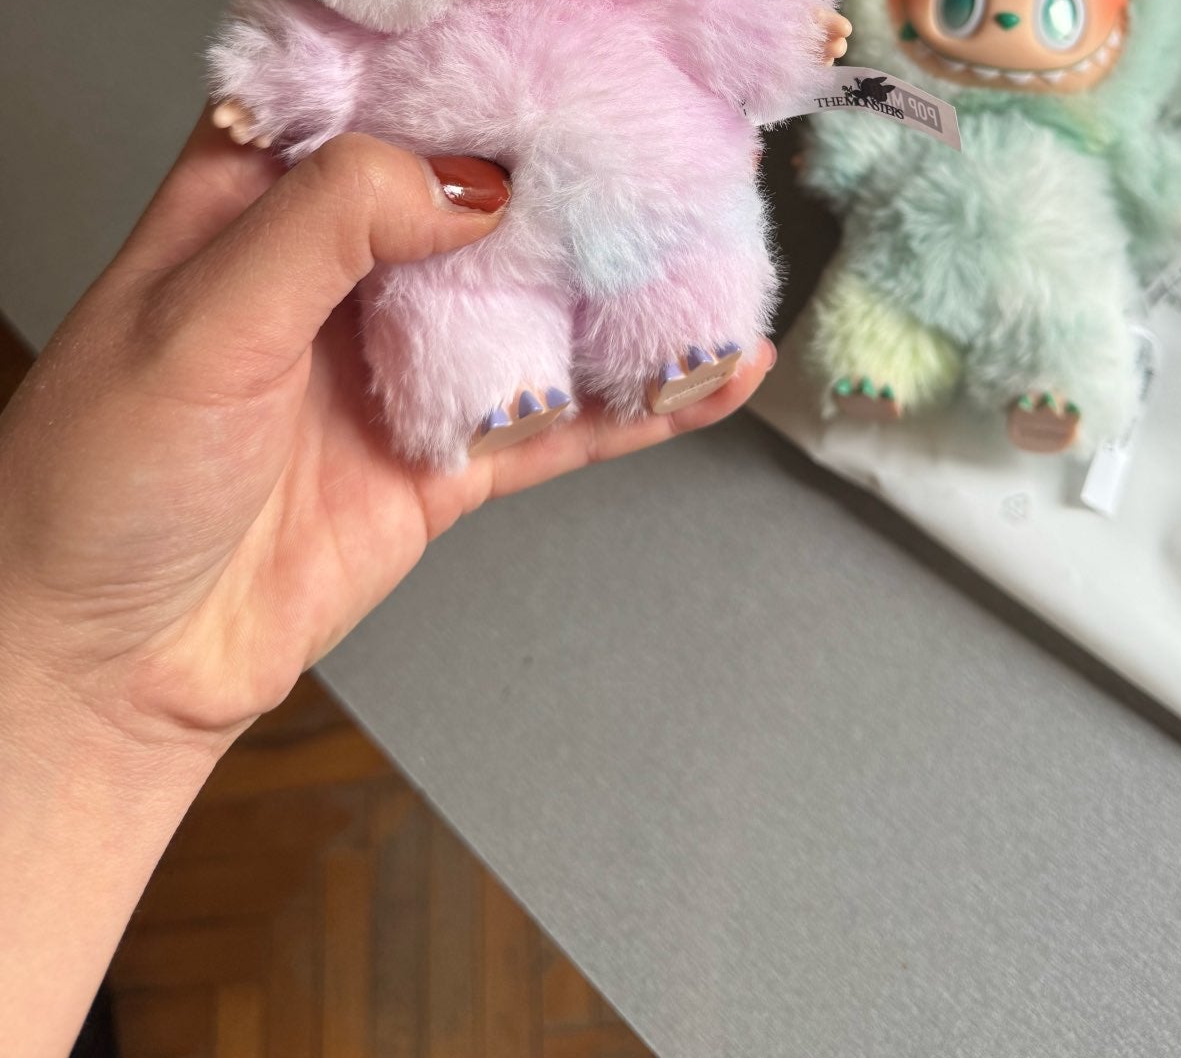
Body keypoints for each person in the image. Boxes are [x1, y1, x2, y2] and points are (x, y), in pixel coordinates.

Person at [0, 115, 767, 1058]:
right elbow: (313, 69)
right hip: (460, 264)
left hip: (632, 190)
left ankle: (674, 333)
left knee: (672, 241)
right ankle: (494, 390)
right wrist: (83, 677)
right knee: (451, 306)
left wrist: (84, 677)